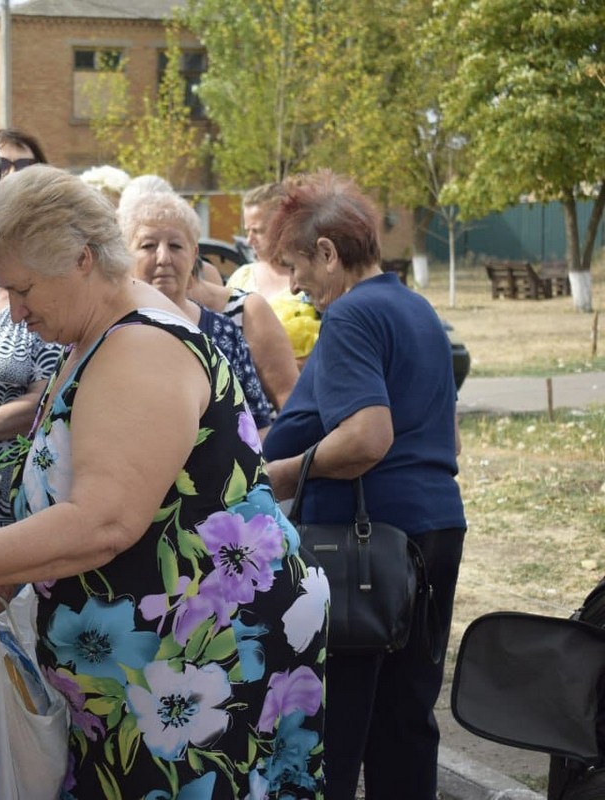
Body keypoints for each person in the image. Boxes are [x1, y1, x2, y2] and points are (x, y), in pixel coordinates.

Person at [0, 165, 326, 799]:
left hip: (197, 665)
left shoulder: (138, 347)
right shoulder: (102, 329)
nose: (17, 309)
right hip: (157, 664)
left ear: (83, 259)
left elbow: (104, 520)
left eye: (24, 288)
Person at [260, 170, 466, 800]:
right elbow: (447, 439)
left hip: (366, 544)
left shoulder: (351, 314)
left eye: (295, 265)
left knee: (341, 723)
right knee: (404, 720)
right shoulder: (415, 307)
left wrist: (276, 476)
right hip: (429, 529)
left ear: (327, 251)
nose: (293, 285)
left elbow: (367, 437)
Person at [0, 128, 64, 532]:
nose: (14, 175)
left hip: (15, 487)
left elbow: (43, 401)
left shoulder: (53, 281)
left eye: (25, 165)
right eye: (2, 165)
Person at [122, 189, 299, 411]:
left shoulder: (225, 331)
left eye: (176, 246)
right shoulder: (108, 331)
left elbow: (260, 422)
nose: (163, 258)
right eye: (148, 246)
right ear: (126, 256)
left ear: (194, 254)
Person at [227, 182, 320, 364]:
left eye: (258, 231)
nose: (249, 240)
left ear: (285, 226)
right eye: (247, 231)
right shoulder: (242, 277)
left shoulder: (313, 278)